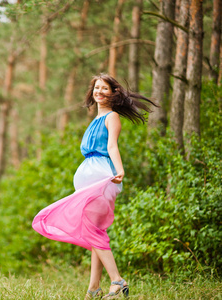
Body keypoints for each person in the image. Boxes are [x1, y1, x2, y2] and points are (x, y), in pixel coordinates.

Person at [32, 74, 156, 299]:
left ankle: (117, 281)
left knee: (93, 231)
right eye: (96, 88)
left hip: (101, 177)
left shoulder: (112, 117)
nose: (99, 91)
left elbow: (112, 146)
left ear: (113, 93)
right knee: (96, 232)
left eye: (104, 88)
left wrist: (120, 170)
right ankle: (93, 288)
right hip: (91, 176)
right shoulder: (95, 120)